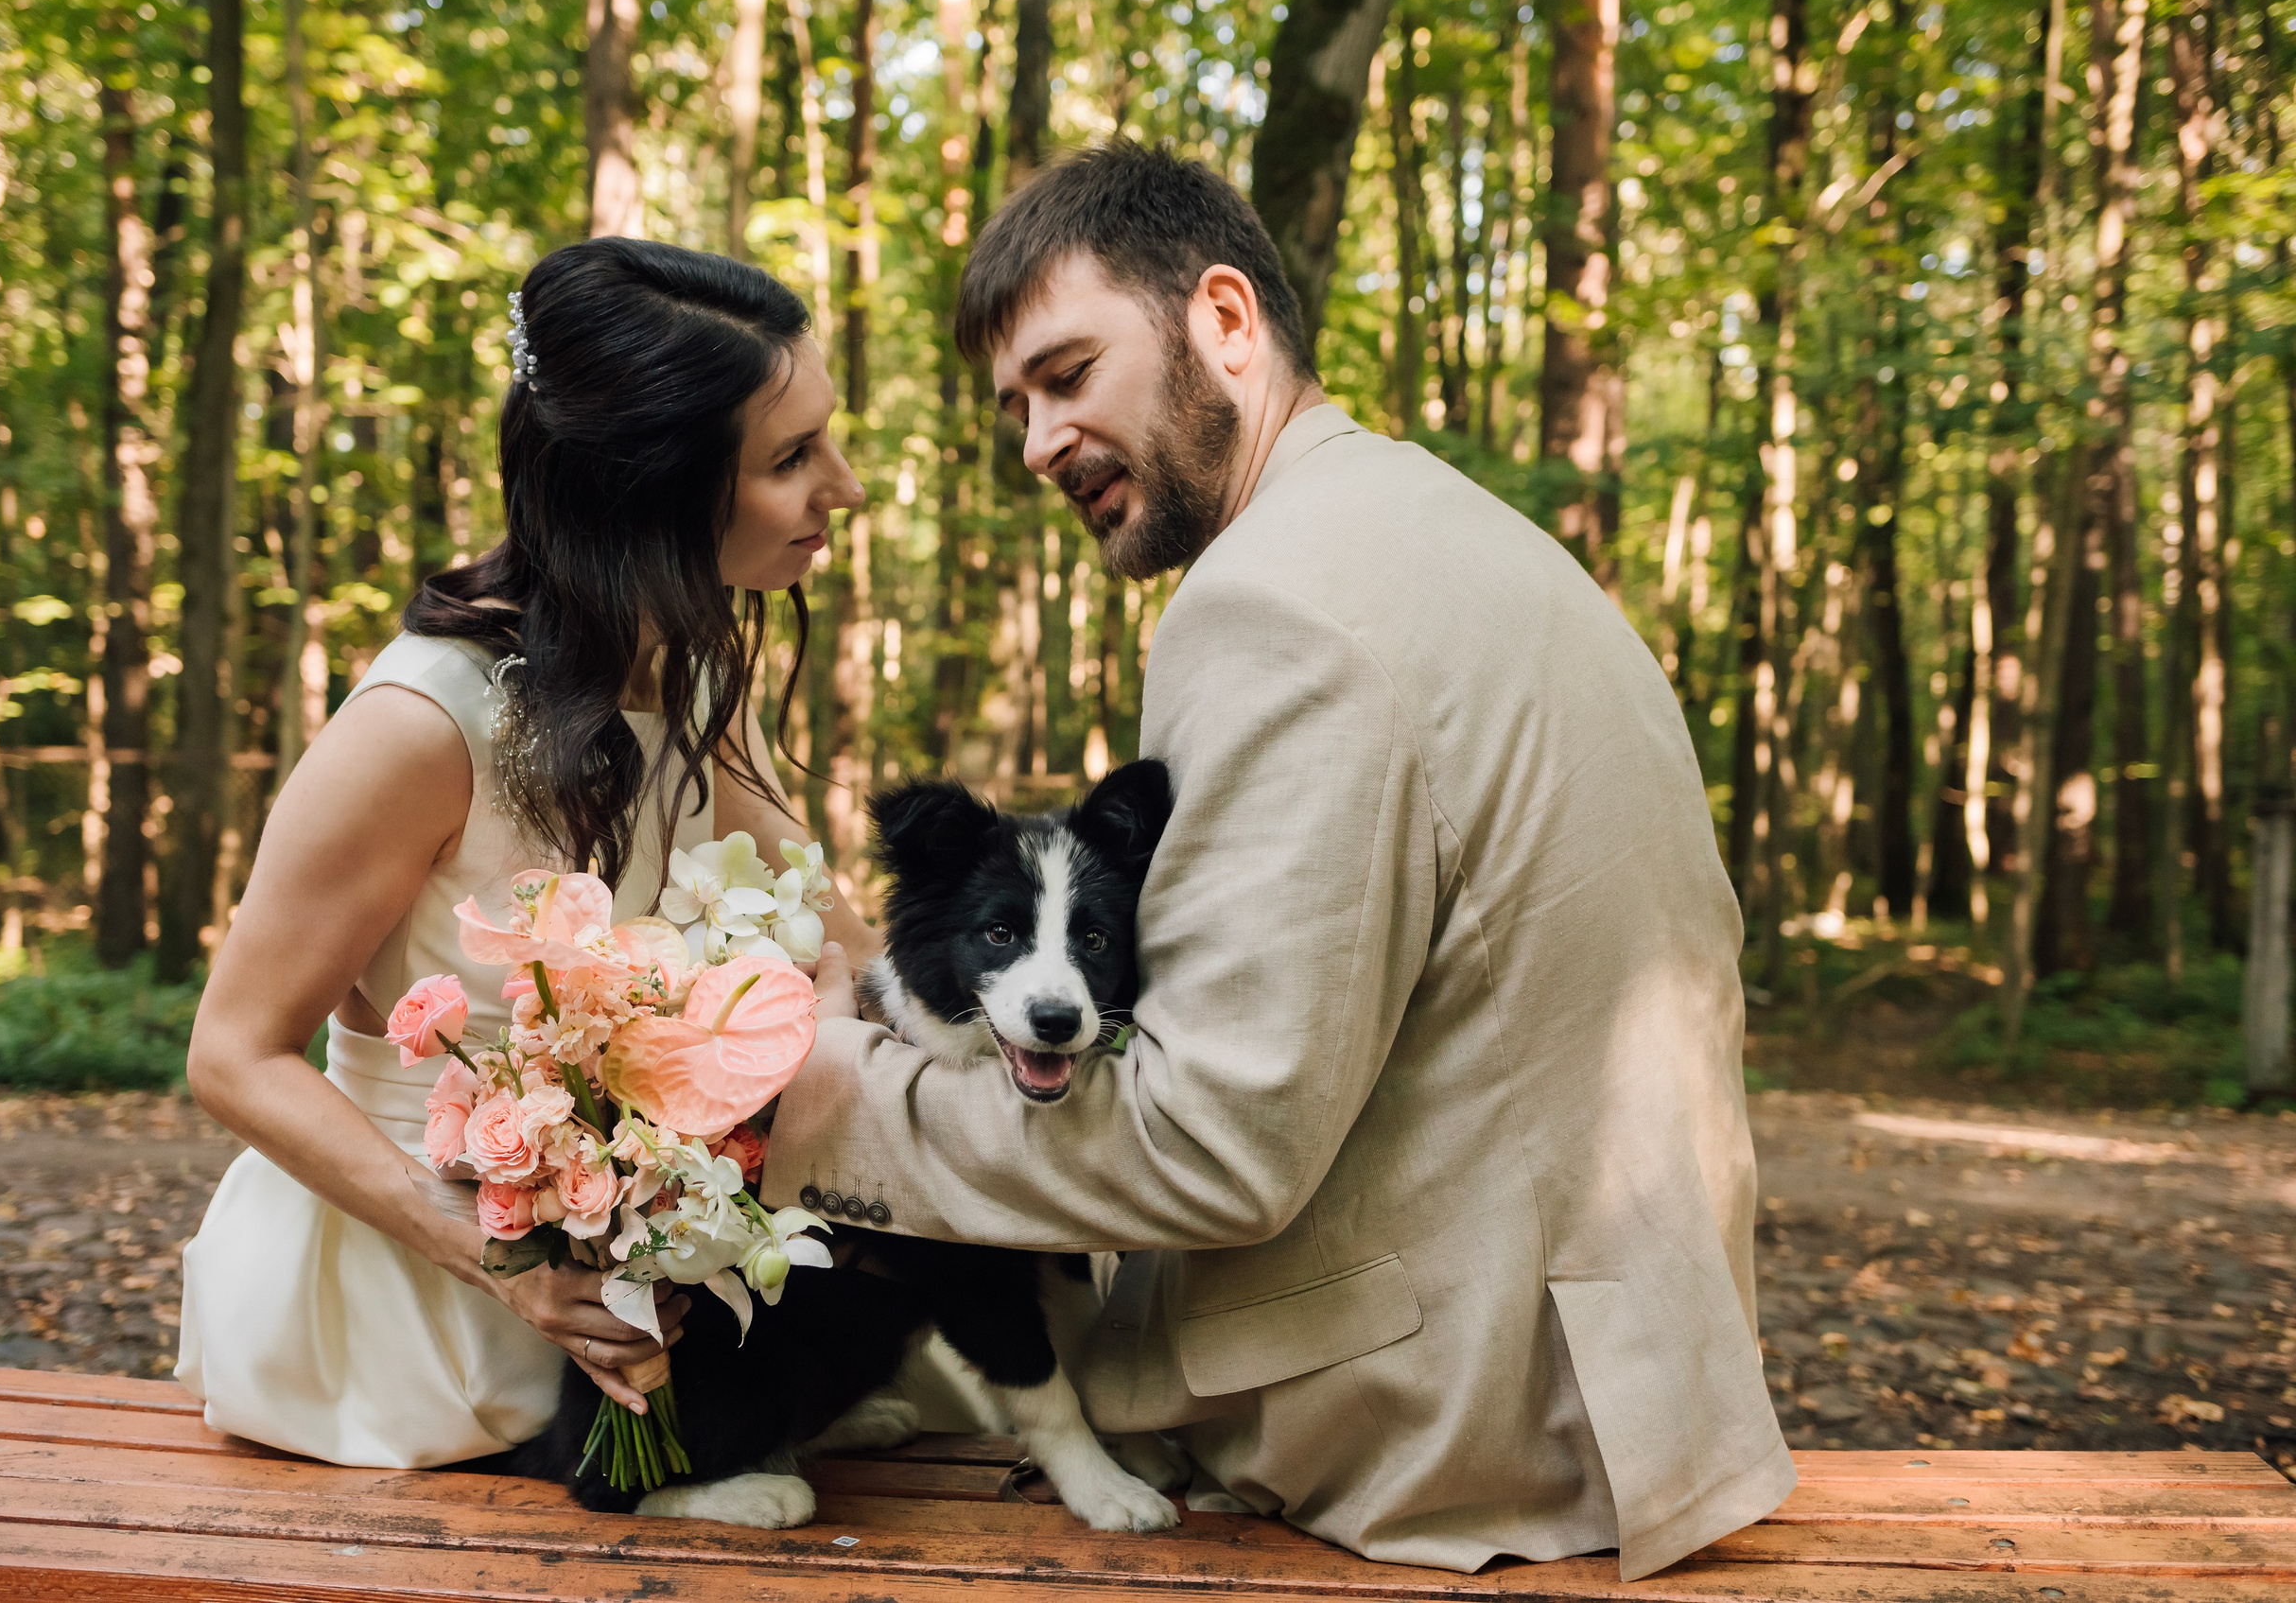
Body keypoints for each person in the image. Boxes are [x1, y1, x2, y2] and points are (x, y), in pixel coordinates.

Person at [768, 144, 1795, 1579]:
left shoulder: (1274, 610)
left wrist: (813, 1097)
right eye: (1016, 407)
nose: (1036, 444)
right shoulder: (1446, 528)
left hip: (1443, 1432)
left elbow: (1215, 1143)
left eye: (1068, 375)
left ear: (1226, 321)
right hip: (1621, 1378)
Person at [177, 239, 876, 1469]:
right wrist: (502, 1257)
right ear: (651, 491)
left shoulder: (700, 665)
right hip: (414, 1318)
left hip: (652, 1294)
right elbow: (232, 1054)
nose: (848, 486)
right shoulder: (421, 725)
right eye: (792, 458)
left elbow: (837, 937)